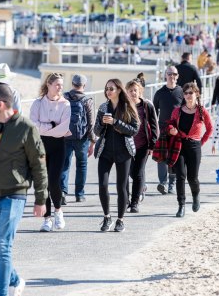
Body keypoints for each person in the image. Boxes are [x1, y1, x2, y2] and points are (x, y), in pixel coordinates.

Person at [0, 83, 48, 296]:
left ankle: (1, 292)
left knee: (3, 246)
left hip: (14, 195)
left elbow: (39, 165)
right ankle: (15, 279)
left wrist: (41, 199)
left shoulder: (26, 128)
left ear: (1, 103)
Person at [93, 79, 139, 232]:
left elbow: (134, 129)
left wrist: (115, 122)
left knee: (121, 187)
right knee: (103, 185)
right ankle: (107, 217)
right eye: (106, 89)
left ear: (119, 90)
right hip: (105, 151)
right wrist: (102, 123)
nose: (108, 91)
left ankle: (120, 219)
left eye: (111, 88)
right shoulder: (103, 107)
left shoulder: (127, 107)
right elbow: (96, 131)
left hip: (123, 152)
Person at [30, 73, 71, 232]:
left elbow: (63, 129)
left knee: (54, 181)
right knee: (42, 182)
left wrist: (45, 126)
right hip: (40, 145)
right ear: (49, 85)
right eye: (57, 85)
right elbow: (33, 125)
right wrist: (52, 125)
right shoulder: (38, 103)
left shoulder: (65, 104)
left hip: (58, 146)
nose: (60, 87)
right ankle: (46, 219)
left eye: (61, 85)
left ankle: (58, 211)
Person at [168, 82, 213, 217]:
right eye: (186, 93)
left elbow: (210, 129)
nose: (188, 95)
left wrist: (201, 142)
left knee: (192, 177)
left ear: (196, 94)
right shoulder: (177, 111)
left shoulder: (202, 111)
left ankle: (195, 195)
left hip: (194, 146)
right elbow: (170, 125)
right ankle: (181, 205)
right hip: (179, 145)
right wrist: (172, 130)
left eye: (191, 93)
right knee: (180, 176)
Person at [125, 78, 159, 213]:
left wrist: (152, 144)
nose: (133, 93)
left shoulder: (147, 106)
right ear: (126, 92)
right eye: (130, 91)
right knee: (129, 172)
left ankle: (134, 203)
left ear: (140, 91)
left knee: (138, 173)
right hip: (126, 145)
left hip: (143, 145)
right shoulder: (124, 106)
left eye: (135, 90)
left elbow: (154, 125)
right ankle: (131, 196)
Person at [61, 74, 96, 203]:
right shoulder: (87, 100)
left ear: (72, 83)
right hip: (82, 138)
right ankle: (79, 194)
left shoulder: (64, 97)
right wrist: (93, 141)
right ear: (84, 85)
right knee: (81, 165)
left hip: (65, 136)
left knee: (64, 164)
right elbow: (91, 123)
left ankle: (62, 193)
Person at [153, 66, 183, 194]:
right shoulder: (159, 93)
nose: (172, 76)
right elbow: (153, 113)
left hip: (177, 130)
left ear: (177, 76)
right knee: (162, 157)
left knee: (174, 157)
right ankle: (162, 183)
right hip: (162, 129)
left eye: (174, 74)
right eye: (169, 74)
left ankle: (172, 183)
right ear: (165, 75)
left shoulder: (182, 92)